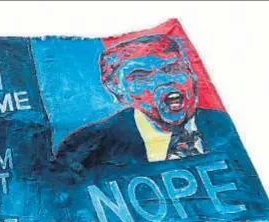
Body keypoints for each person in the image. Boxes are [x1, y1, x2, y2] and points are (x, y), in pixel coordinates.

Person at [56, 34, 237, 175]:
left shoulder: (227, 126)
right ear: (118, 91)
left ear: (191, 74)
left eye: (172, 68)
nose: (164, 81)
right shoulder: (86, 148)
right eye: (140, 76)